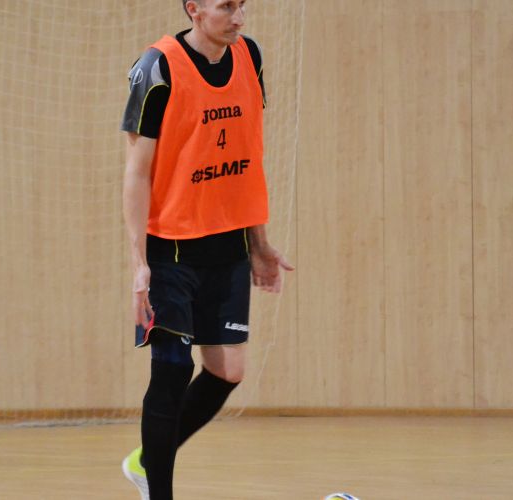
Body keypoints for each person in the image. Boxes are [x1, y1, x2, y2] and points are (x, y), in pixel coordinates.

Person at [120, 0, 293, 498]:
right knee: (173, 368)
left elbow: (248, 157)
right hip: (170, 246)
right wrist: (138, 263)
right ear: (194, 8)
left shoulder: (249, 57)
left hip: (229, 241)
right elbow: (136, 173)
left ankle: (146, 461)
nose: (239, 17)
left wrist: (259, 243)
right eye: (226, 6)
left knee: (228, 371)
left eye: (242, 6)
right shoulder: (157, 67)